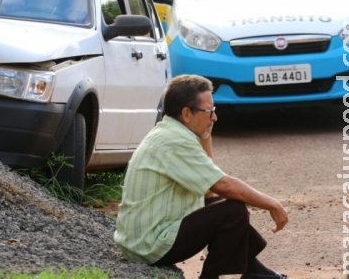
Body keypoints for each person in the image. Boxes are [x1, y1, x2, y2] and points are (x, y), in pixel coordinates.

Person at [114, 74, 289, 279]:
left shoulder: (171, 132)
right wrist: (272, 204)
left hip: (141, 239)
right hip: (149, 245)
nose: (214, 117)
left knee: (223, 204)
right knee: (233, 212)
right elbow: (223, 185)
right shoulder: (176, 141)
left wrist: (206, 138)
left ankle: (254, 271)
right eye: (210, 111)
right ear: (187, 113)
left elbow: (209, 190)